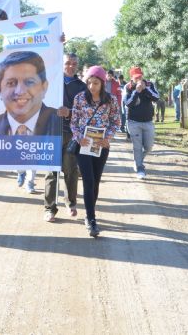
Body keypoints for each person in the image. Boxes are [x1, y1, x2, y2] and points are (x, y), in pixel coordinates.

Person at [71, 65, 120, 237]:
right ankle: (91, 219)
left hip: (101, 147)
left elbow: (116, 122)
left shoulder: (111, 100)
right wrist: (79, 137)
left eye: (96, 83)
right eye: (89, 83)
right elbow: (74, 122)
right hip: (83, 146)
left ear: (102, 83)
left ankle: (89, 212)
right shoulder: (79, 98)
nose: (92, 87)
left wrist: (107, 138)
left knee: (96, 181)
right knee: (88, 180)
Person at [0, 51, 60, 136]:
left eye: (29, 82)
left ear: (44, 87)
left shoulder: (64, 126)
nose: (20, 91)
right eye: (11, 83)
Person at [40, 53, 87, 222]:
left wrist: (70, 112)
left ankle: (71, 203)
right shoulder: (51, 82)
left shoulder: (82, 86)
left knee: (70, 170)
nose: (70, 66)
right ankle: (49, 208)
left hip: (71, 133)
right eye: (67, 63)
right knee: (51, 172)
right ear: (62, 64)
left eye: (74, 63)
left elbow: (86, 112)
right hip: (52, 131)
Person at [124, 66, 160, 180]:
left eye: (140, 77)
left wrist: (146, 89)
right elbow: (128, 103)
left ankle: (138, 160)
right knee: (137, 146)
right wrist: (136, 92)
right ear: (131, 78)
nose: (138, 79)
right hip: (133, 122)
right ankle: (140, 168)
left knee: (149, 146)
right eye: (135, 78)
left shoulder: (149, 84)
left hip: (148, 122)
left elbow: (156, 97)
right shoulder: (128, 87)